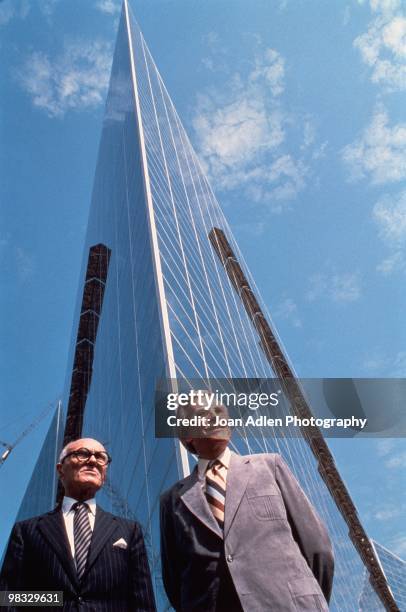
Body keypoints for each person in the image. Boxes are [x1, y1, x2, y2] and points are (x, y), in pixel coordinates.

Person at [160, 396, 334, 611]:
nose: (216, 417)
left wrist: (306, 600)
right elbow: (174, 580)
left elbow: (317, 546)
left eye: (219, 411)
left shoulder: (270, 466)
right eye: (204, 414)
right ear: (187, 436)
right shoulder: (172, 500)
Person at [0, 437, 156, 611]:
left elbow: (143, 603)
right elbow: (10, 598)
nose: (92, 460)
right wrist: (55, 599)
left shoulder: (129, 530)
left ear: (104, 474)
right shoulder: (27, 530)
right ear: (60, 470)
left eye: (101, 457)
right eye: (82, 454)